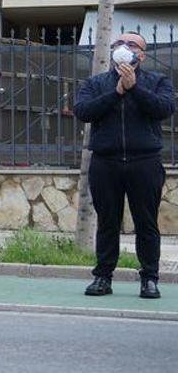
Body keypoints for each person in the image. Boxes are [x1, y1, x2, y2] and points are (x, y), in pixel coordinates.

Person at [74, 32, 174, 299]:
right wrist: (117, 92)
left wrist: (134, 89)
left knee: (146, 223)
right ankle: (103, 277)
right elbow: (83, 110)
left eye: (131, 44)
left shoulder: (157, 81)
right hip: (106, 162)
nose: (124, 48)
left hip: (145, 162)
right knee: (107, 222)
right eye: (119, 43)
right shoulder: (96, 83)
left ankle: (150, 279)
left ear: (142, 54)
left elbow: (164, 108)